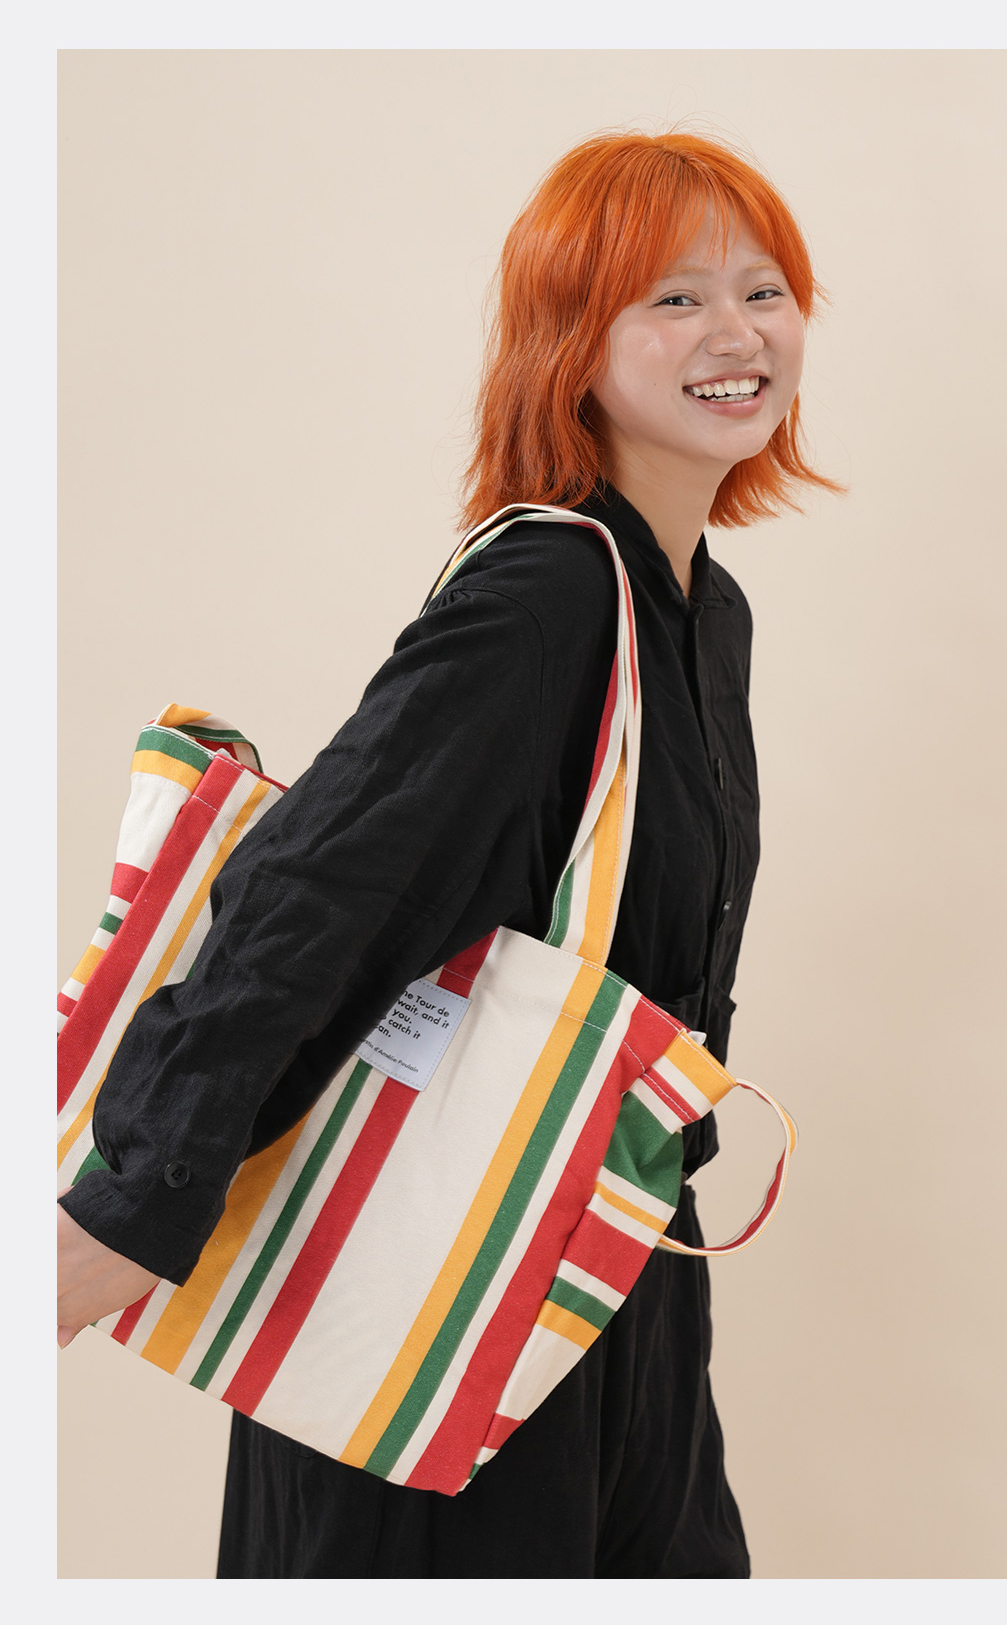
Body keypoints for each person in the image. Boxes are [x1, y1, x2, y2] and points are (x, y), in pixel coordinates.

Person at [57, 127, 841, 1578]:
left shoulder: (702, 612)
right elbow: (315, 895)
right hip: (435, 1287)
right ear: (571, 342)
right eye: (673, 298)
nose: (736, 334)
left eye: (764, 291)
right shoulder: (550, 591)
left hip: (606, 1271)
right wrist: (127, 1207)